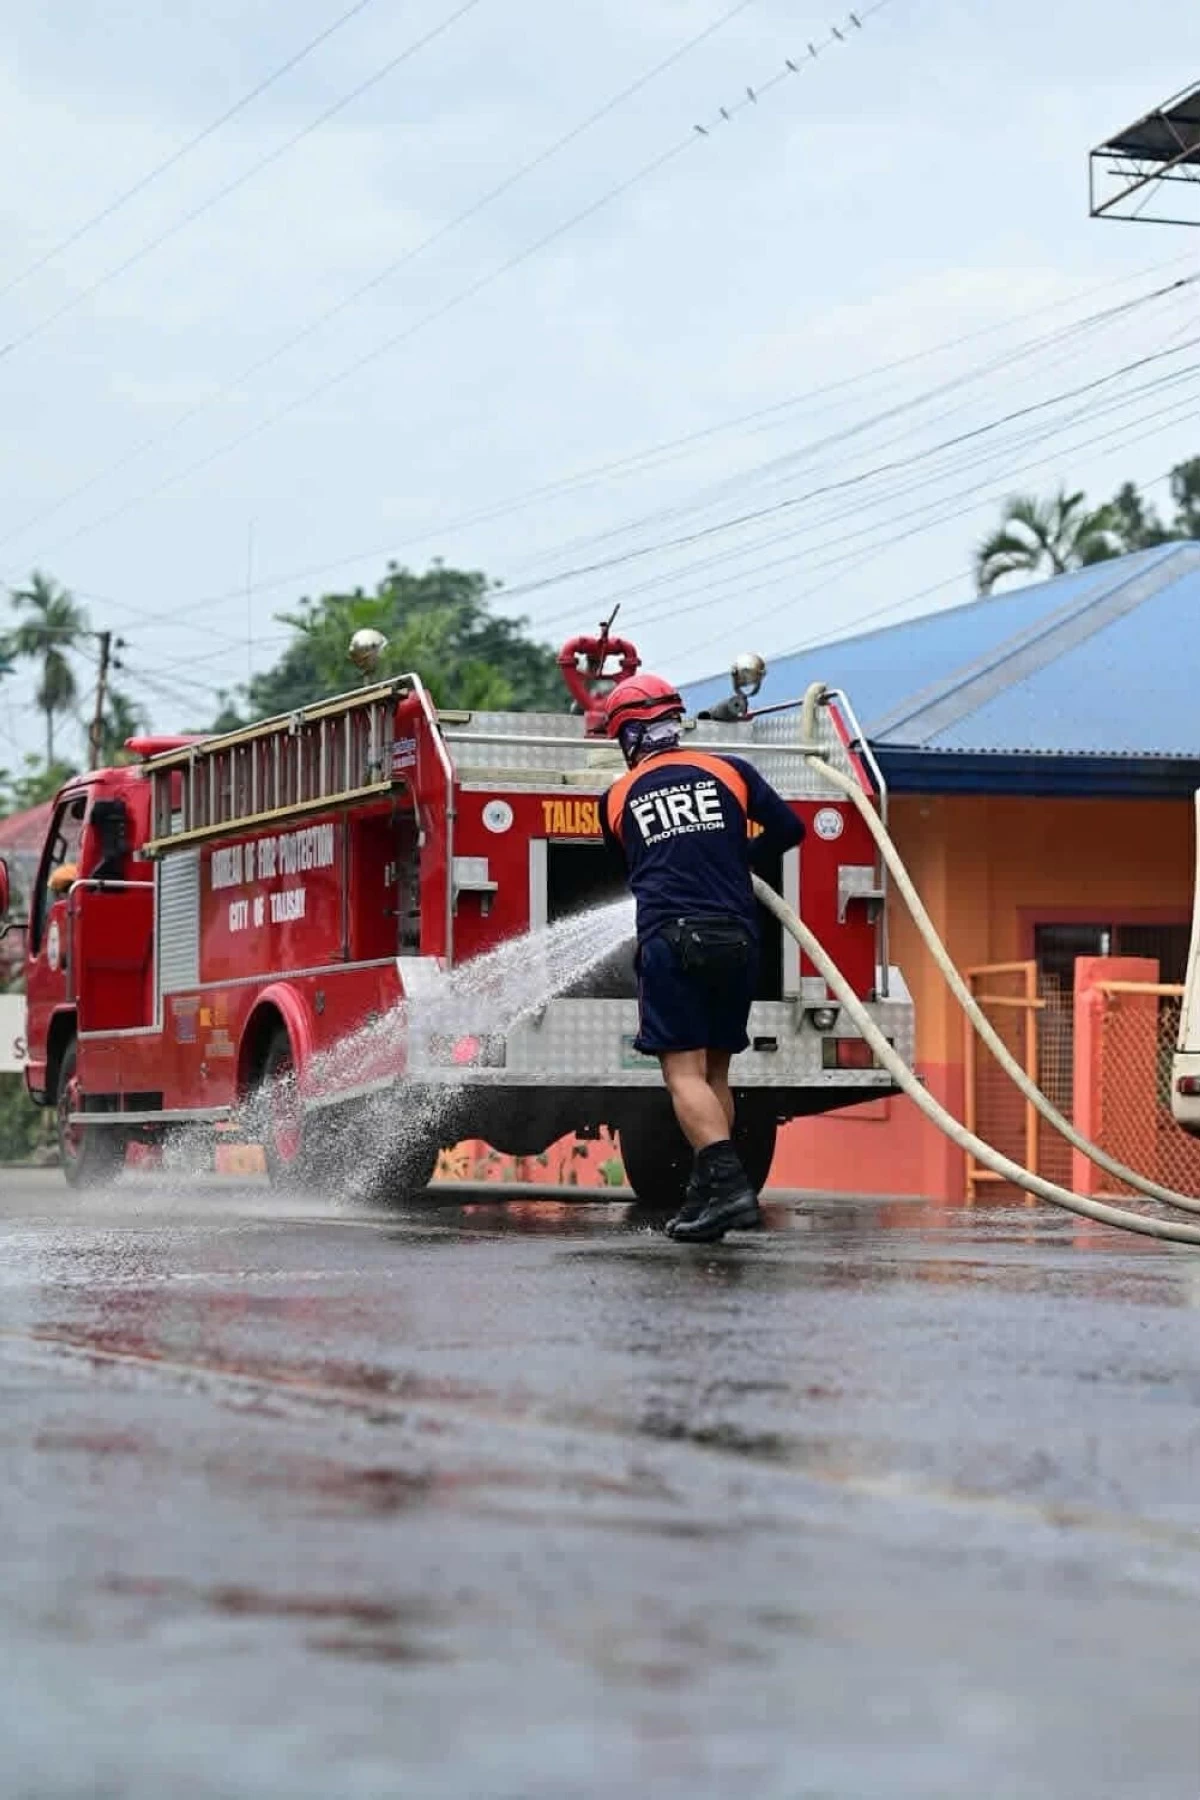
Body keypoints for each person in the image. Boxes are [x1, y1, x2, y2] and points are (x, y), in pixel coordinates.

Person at [598, 672, 804, 1242]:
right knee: (716, 1070)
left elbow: (633, 863)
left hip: (673, 942)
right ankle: (706, 1194)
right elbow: (790, 828)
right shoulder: (731, 770)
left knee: (681, 1072)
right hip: (738, 939)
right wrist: (742, 860)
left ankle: (730, 1189)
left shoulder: (616, 796)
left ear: (631, 735)